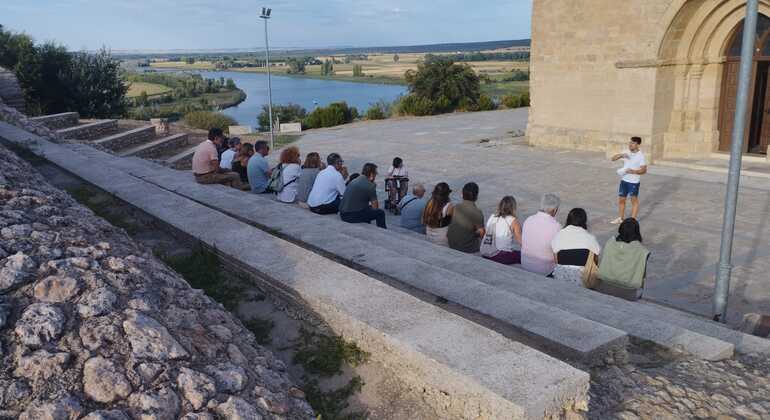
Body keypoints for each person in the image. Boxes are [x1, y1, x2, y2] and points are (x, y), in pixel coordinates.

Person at [597, 218, 650, 300]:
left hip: (604, 287)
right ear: (637, 232)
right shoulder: (643, 251)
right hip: (628, 293)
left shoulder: (610, 243)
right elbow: (642, 276)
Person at [550, 208, 602, 285]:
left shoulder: (559, 235)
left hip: (560, 276)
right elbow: (596, 257)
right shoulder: (590, 238)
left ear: (568, 220)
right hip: (583, 279)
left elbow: (556, 259)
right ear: (584, 221)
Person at [521, 193, 562, 275]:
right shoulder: (557, 226)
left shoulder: (529, 219)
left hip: (526, 264)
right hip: (545, 269)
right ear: (554, 210)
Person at [610, 136, 647, 224]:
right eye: (630, 143)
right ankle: (621, 218)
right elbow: (613, 159)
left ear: (638, 145)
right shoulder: (626, 152)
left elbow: (644, 170)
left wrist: (633, 171)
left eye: (633, 143)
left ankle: (632, 221)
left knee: (634, 200)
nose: (630, 145)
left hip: (634, 182)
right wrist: (621, 155)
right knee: (621, 200)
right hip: (624, 180)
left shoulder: (640, 156)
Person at [339, 163, 387, 229]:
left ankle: (368, 224)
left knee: (367, 208)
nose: (376, 176)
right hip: (350, 216)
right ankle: (382, 231)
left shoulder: (354, 180)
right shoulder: (370, 185)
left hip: (342, 214)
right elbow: (375, 207)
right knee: (380, 213)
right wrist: (373, 188)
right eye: (376, 173)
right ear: (372, 174)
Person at [481, 196, 522, 265]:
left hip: (485, 252)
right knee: (521, 255)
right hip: (499, 255)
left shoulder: (492, 217)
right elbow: (520, 241)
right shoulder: (513, 220)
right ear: (513, 208)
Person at [447, 182, 485, 253]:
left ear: (462, 194)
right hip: (466, 247)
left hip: (451, 243)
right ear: (476, 196)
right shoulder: (477, 212)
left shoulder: (456, 207)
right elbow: (481, 233)